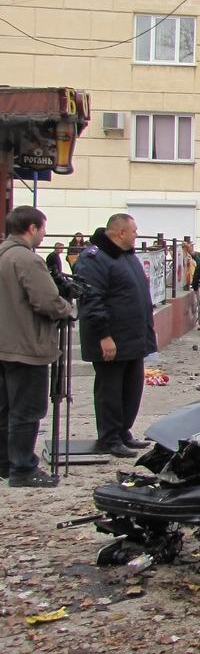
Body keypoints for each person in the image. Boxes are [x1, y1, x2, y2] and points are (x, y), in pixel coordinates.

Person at [0, 207, 74, 487]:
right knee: (26, 410)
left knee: (6, 408)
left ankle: (7, 462)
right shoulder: (26, 259)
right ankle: (23, 468)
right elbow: (46, 301)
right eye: (42, 229)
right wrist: (66, 307)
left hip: (6, 342)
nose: (44, 234)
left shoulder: (4, 253)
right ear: (32, 228)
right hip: (25, 344)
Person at [75, 214, 157, 458]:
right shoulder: (95, 259)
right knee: (110, 390)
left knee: (131, 389)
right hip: (112, 339)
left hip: (134, 337)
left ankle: (123, 432)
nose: (136, 236)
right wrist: (104, 336)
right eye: (134, 231)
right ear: (120, 232)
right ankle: (109, 437)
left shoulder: (126, 256)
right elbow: (92, 300)